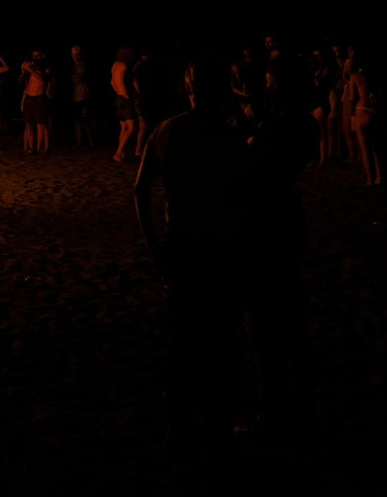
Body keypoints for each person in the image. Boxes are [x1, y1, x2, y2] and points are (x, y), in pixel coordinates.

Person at [134, 55, 251, 464]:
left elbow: (140, 190)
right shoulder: (232, 139)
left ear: (188, 88)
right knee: (222, 345)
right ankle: (217, 433)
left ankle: (179, 431)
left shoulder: (168, 131)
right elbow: (247, 198)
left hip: (182, 247)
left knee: (183, 344)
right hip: (223, 250)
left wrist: (155, 250)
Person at [238, 51, 320, 446]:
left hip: (267, 223)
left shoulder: (285, 127)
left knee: (266, 316)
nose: (266, 86)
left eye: (270, 80)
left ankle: (275, 403)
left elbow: (253, 170)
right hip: (285, 219)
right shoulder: (300, 123)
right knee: (286, 311)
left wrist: (247, 137)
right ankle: (297, 395)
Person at [348, 47, 382, 186]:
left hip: (361, 111)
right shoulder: (374, 76)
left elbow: (352, 97)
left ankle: (369, 179)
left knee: (364, 148)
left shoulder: (354, 77)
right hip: (373, 112)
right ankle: (380, 177)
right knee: (375, 149)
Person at [19, 50, 51, 155]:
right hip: (29, 97)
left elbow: (42, 79)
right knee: (28, 124)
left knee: (40, 124)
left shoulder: (45, 68)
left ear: (42, 56)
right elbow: (20, 81)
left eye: (37, 56)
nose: (35, 58)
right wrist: (24, 71)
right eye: (33, 56)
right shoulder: (30, 67)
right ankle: (30, 148)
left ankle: (40, 148)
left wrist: (30, 70)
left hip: (39, 97)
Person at [111, 47, 136, 162]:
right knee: (131, 128)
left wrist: (118, 92)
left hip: (117, 98)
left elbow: (112, 81)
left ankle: (121, 153)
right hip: (123, 98)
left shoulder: (115, 64)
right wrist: (125, 94)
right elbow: (120, 80)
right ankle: (118, 153)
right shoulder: (124, 66)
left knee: (124, 128)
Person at [133, 47, 158, 158]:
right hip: (140, 98)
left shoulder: (143, 65)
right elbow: (135, 80)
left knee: (144, 124)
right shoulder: (139, 65)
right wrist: (140, 93)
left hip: (142, 97)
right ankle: (138, 150)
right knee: (143, 124)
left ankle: (140, 148)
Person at [69, 45, 94, 148]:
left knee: (85, 120)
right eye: (75, 55)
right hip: (73, 96)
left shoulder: (84, 65)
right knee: (77, 120)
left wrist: (75, 78)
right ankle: (79, 141)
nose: (76, 57)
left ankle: (91, 141)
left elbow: (79, 78)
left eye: (78, 55)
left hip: (83, 95)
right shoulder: (70, 67)